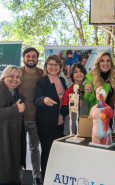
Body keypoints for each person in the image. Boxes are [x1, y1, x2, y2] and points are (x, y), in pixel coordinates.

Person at [33, 55, 67, 180]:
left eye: (56, 65)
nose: (53, 67)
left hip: (60, 123)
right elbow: (36, 100)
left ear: (60, 67)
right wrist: (44, 99)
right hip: (46, 123)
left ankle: (55, 178)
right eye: (50, 64)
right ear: (46, 66)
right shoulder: (42, 81)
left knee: (58, 152)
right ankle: (45, 179)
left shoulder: (62, 81)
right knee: (47, 152)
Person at [18, 47, 43, 185]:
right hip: (19, 119)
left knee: (34, 149)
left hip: (36, 119)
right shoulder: (18, 73)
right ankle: (18, 176)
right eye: (28, 56)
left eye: (34, 56)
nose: (31, 59)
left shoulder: (42, 74)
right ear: (24, 58)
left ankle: (36, 176)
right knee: (18, 149)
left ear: (37, 58)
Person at [0, 66, 26, 185]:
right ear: (4, 76)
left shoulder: (15, 91)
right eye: (11, 76)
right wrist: (16, 108)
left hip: (12, 135)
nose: (14, 79)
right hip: (3, 137)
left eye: (17, 77)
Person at [84, 51, 115, 115]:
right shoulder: (90, 77)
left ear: (111, 63)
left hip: (113, 117)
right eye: (102, 61)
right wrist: (89, 93)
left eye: (108, 61)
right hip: (97, 118)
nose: (105, 63)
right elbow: (87, 99)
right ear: (98, 63)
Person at [61, 63, 89, 135]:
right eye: (75, 72)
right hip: (71, 130)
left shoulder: (88, 90)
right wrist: (74, 104)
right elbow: (63, 111)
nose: (78, 74)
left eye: (80, 71)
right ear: (72, 75)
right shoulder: (69, 91)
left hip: (85, 127)